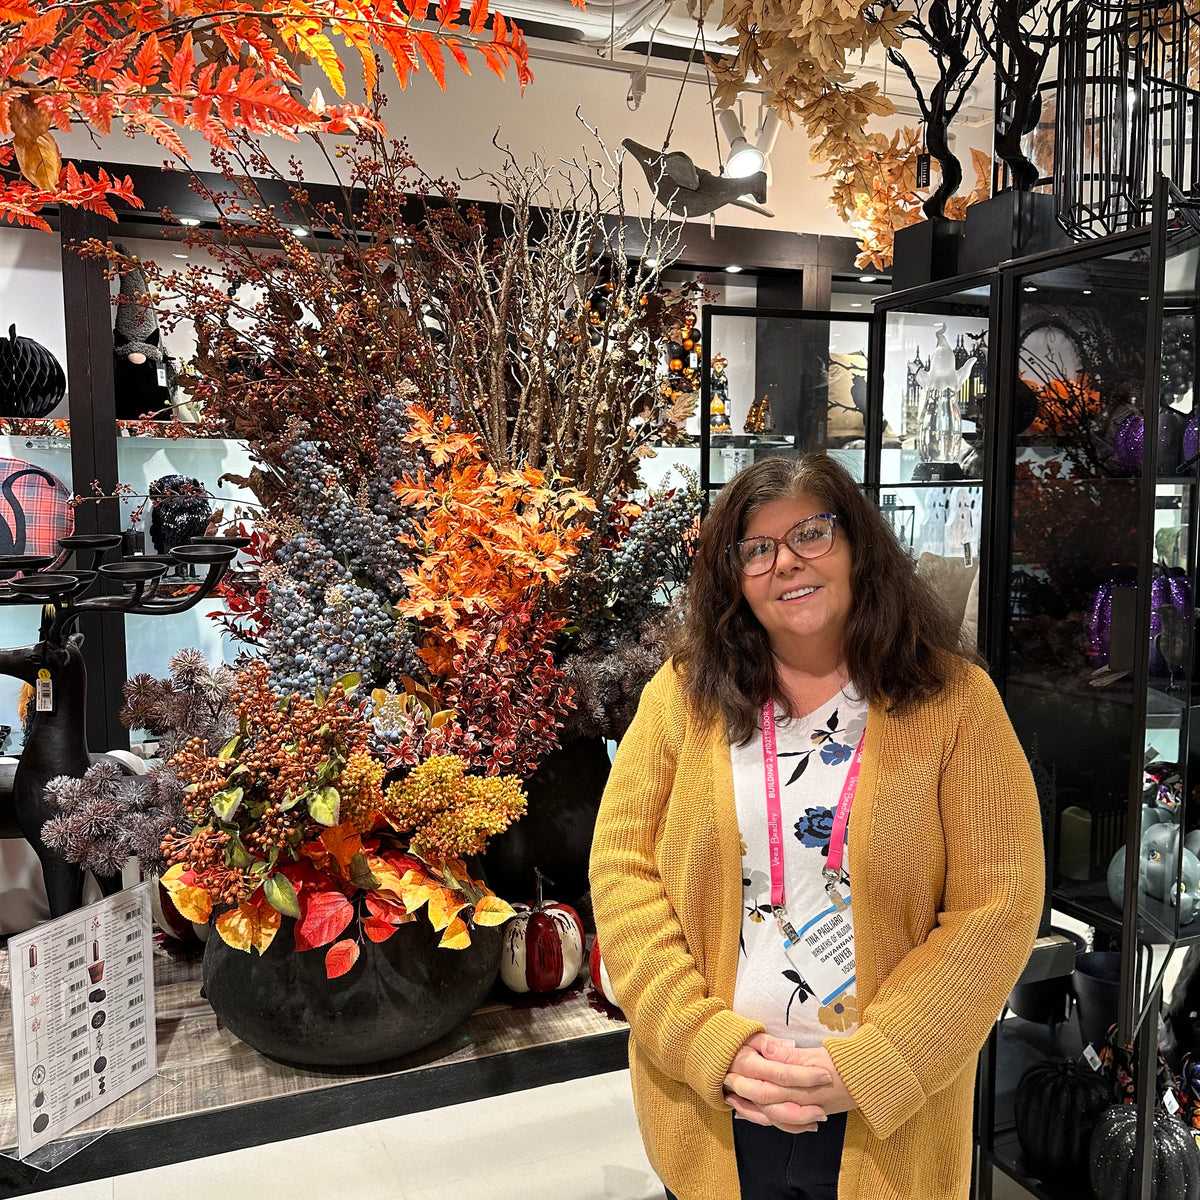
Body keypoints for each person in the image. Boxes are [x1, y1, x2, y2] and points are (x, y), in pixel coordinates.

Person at [589, 453, 1043, 1200]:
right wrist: (708, 1043)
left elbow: (998, 909)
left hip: (890, 1118)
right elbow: (621, 869)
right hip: (717, 1105)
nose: (787, 563)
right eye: (757, 548)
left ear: (858, 543)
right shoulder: (683, 696)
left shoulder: (957, 702)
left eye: (811, 533)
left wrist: (878, 1061)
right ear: (733, 576)